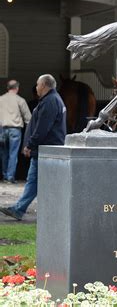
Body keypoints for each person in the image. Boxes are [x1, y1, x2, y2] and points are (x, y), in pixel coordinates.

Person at [0, 74, 66, 221]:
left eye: (37, 84)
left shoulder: (50, 101)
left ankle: (51, 212)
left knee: (37, 180)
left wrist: (30, 144)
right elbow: (30, 119)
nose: (36, 87)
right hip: (43, 146)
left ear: (44, 85)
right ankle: (19, 208)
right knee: (34, 181)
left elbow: (43, 127)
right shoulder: (52, 100)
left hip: (45, 148)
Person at [0, 80, 32, 183]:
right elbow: (28, 118)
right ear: (17, 88)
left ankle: (5, 176)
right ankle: (10, 177)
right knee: (13, 154)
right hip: (15, 130)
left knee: (4, 154)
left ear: (7, 88)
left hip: (2, 129)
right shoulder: (20, 100)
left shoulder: (0, 99)